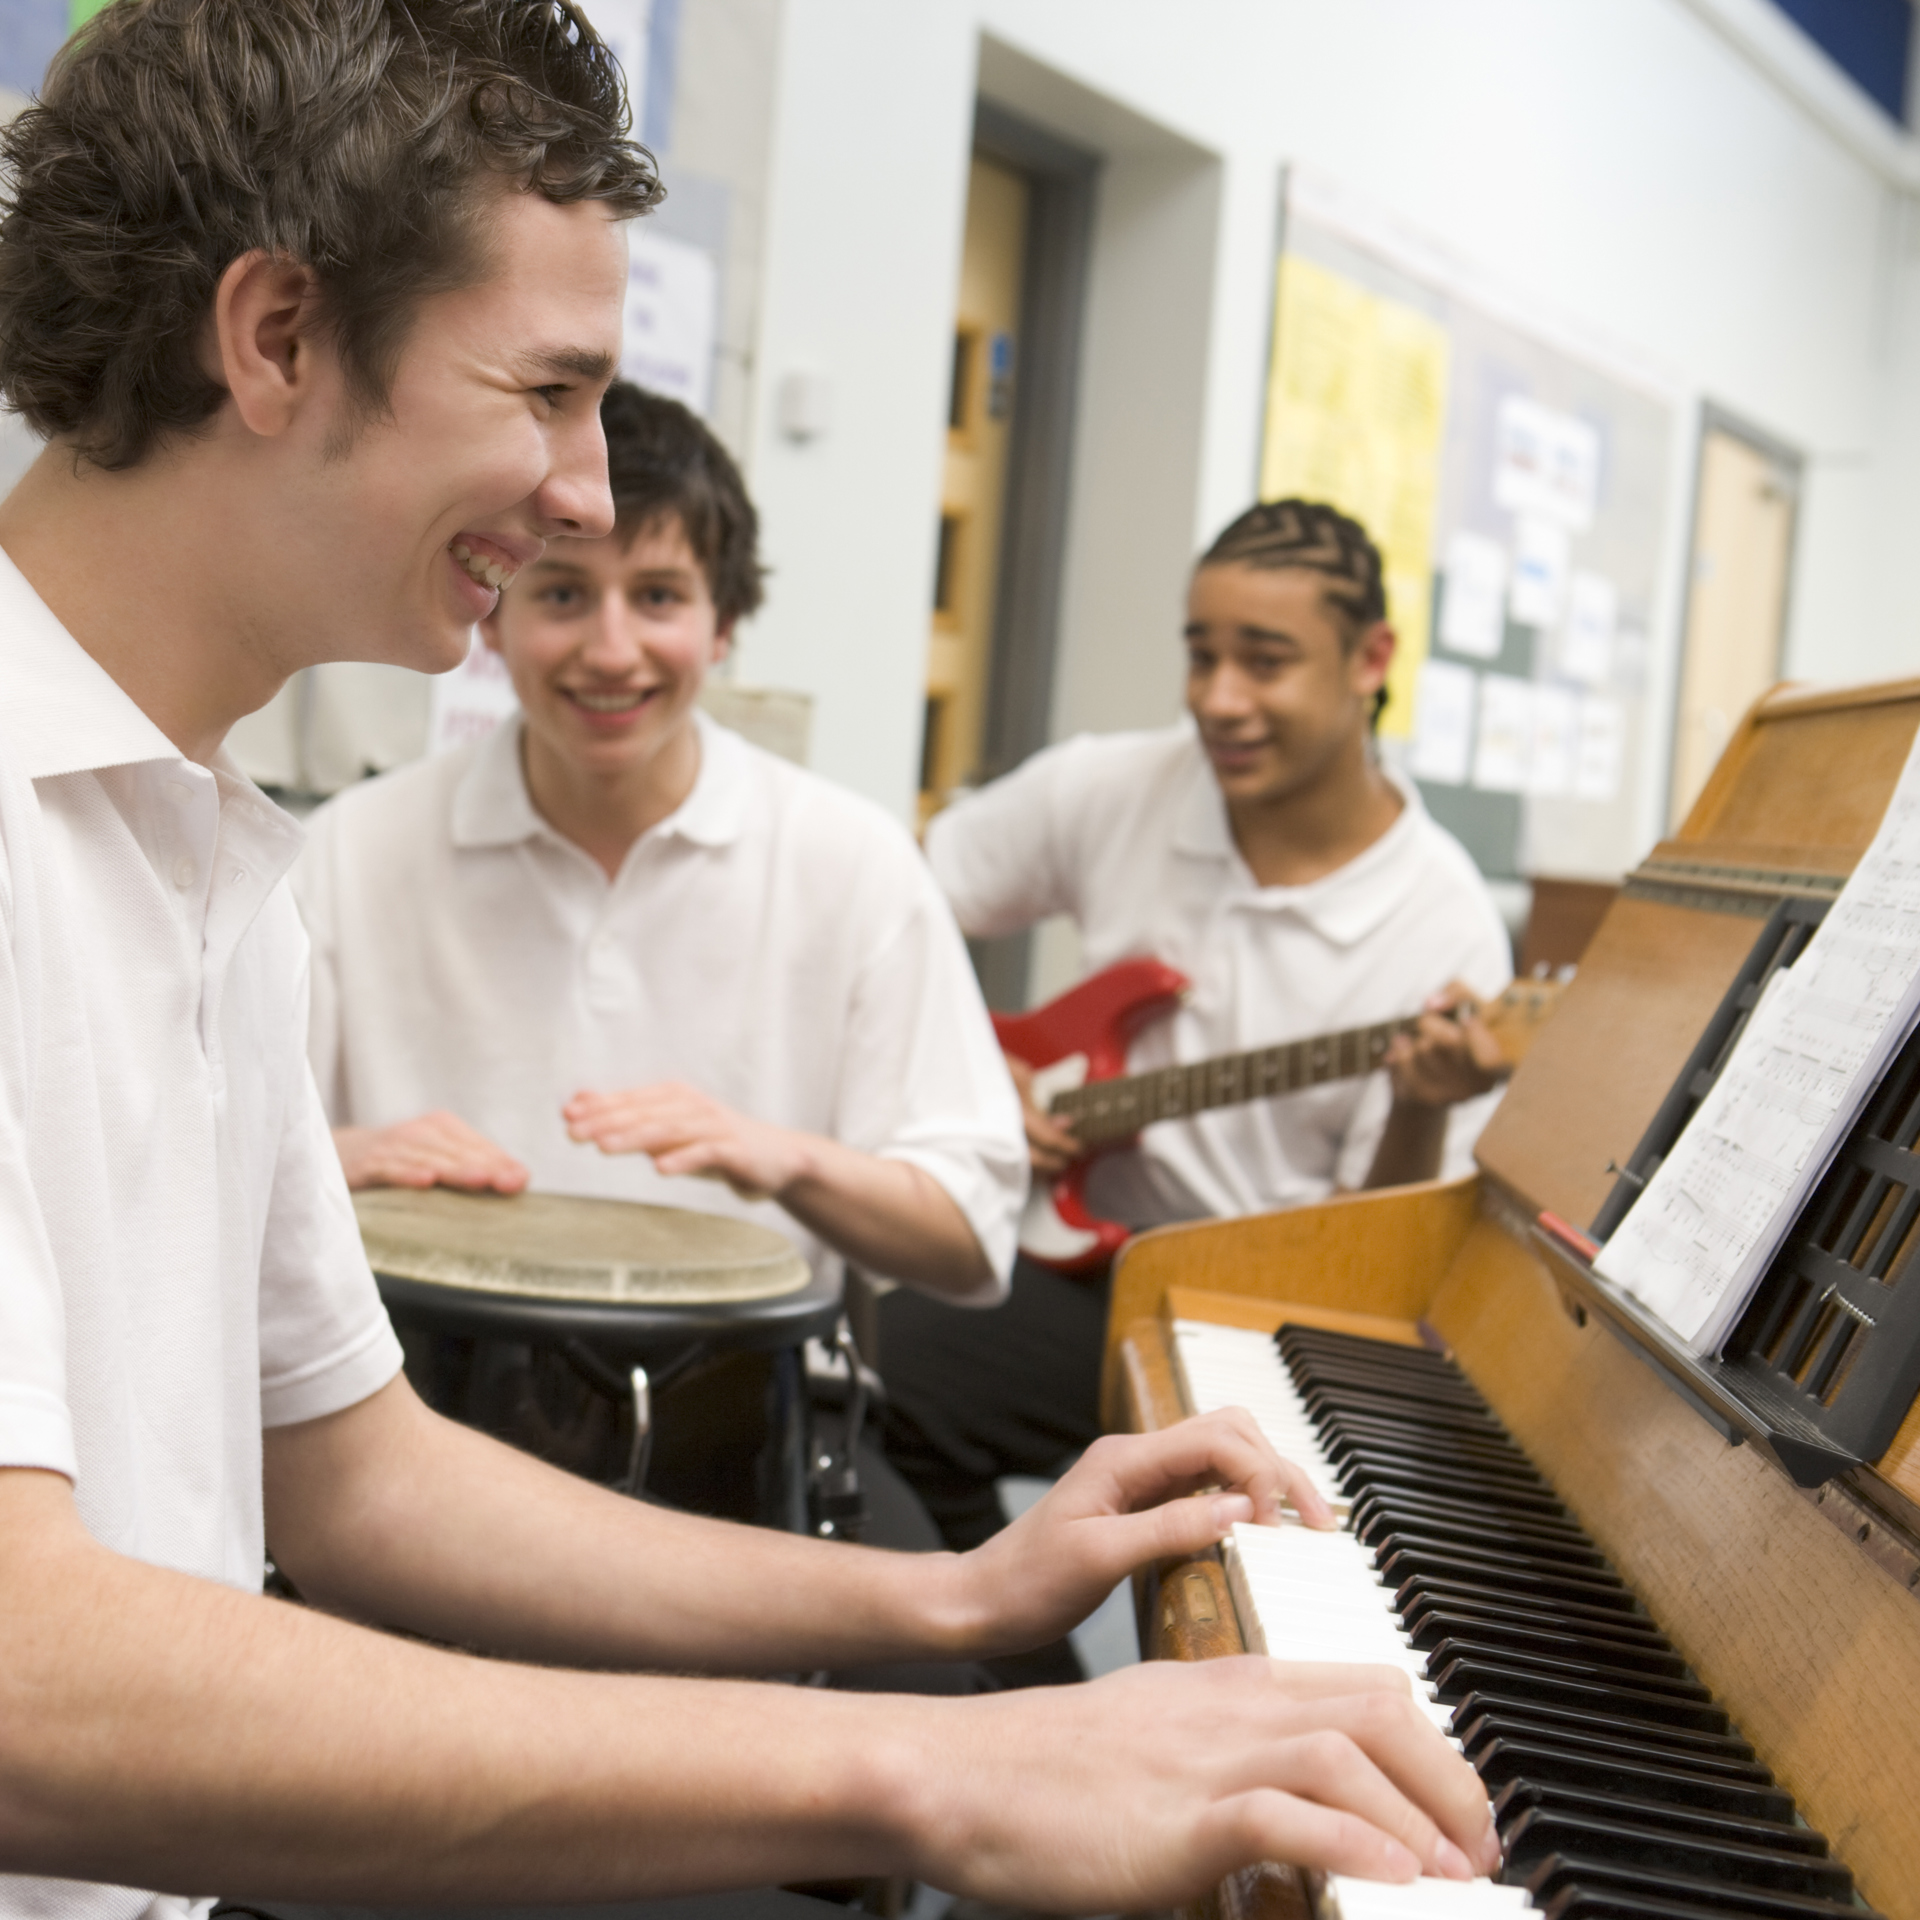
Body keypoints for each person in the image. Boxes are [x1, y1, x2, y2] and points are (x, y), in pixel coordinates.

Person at [0, 7, 1501, 1920]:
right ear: (279, 337)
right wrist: (935, 1769)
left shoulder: (207, 850)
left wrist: (941, 1601)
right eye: (546, 391)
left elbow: (359, 1476)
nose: (582, 490)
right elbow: (23, 1677)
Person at [293, 376, 1023, 1525]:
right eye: (564, 593)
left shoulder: (849, 860)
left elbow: (971, 1243)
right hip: (410, 1440)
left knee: (939, 1684)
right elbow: (193, 1169)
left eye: (661, 595)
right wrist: (333, 1155)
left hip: (754, 1434)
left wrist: (783, 1159)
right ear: (492, 614)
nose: (612, 648)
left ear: (724, 624)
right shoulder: (347, 852)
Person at [882, 500, 1515, 1637]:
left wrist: (1418, 1109)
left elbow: (1377, 1264)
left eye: (1264, 662)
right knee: (890, 1370)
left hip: (1266, 1319)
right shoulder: (1113, 786)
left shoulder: (1443, 925)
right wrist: (975, 1063)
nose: (1219, 698)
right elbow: (891, 904)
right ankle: (1009, 1710)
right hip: (1083, 1271)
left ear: (1372, 661)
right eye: (1201, 654)